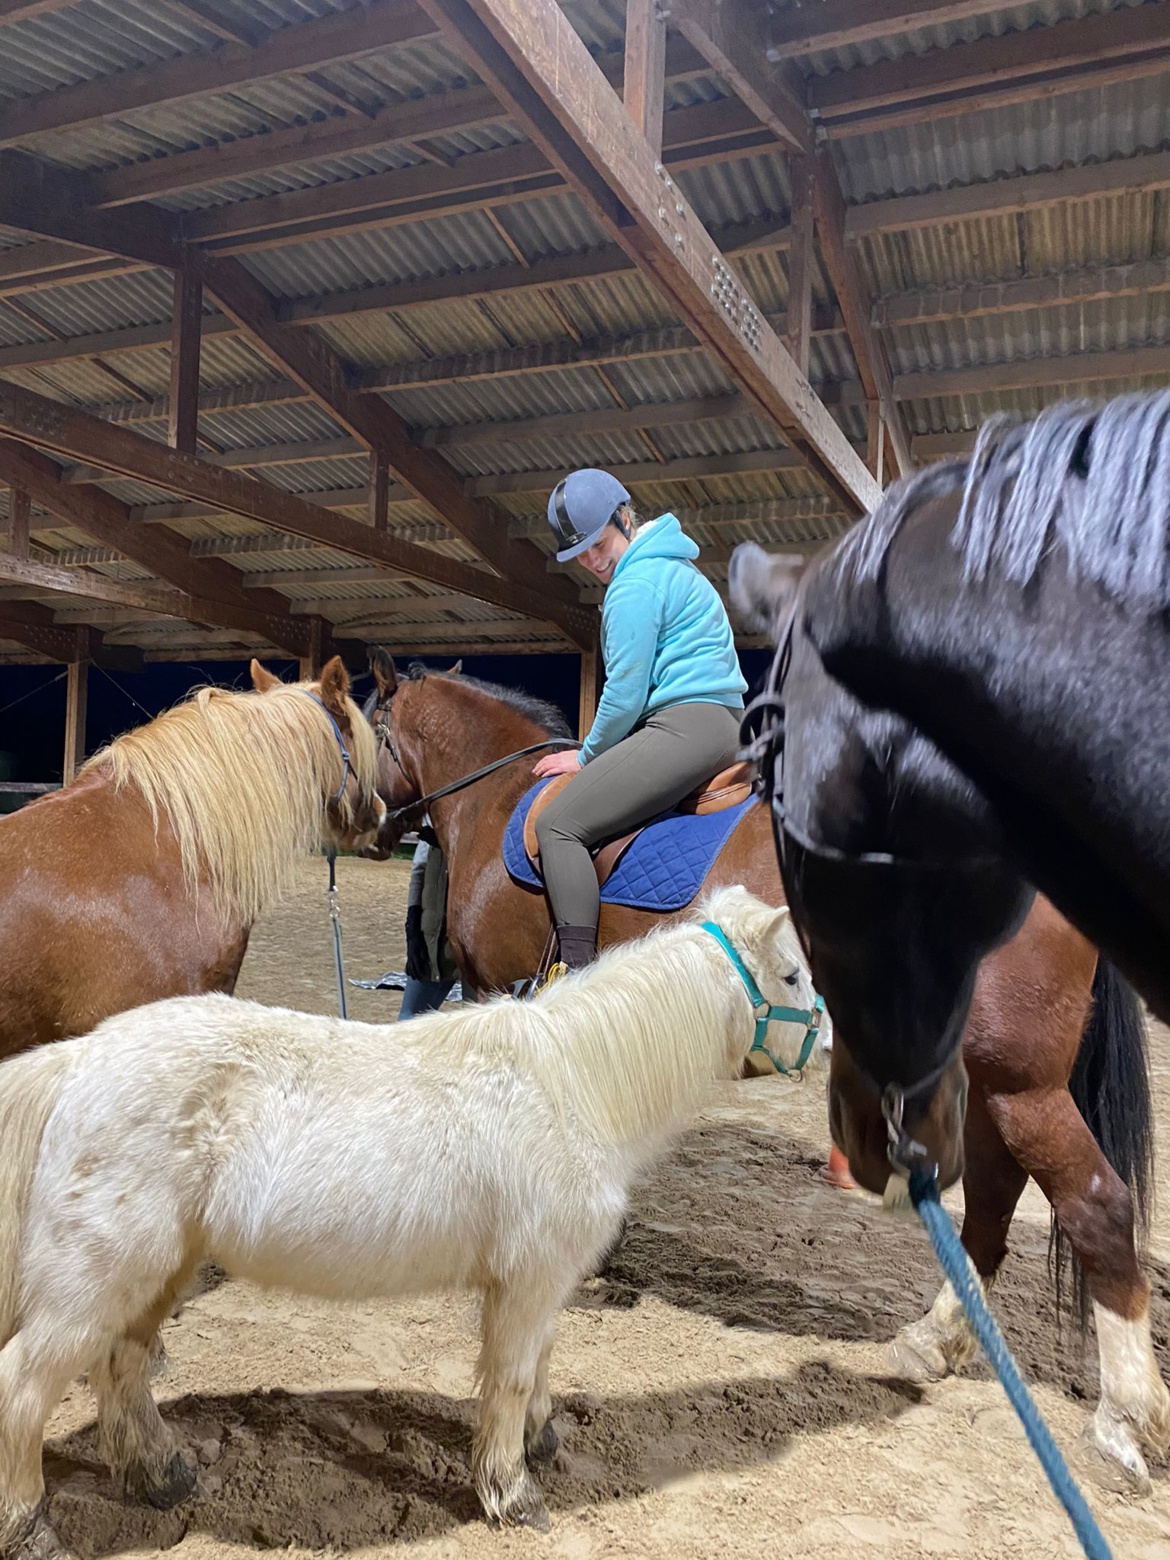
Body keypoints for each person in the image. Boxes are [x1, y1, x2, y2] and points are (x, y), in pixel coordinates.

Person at [533, 468, 747, 971]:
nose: (592, 560)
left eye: (599, 544)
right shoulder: (674, 567)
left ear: (625, 519)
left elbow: (625, 695)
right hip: (723, 724)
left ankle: (577, 980)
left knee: (558, 825)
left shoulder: (634, 585)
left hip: (685, 727)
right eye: (581, 553)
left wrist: (586, 755)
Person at [399, 823, 458, 1019]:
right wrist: (413, 930)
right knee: (408, 1020)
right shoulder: (433, 815)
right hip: (433, 937)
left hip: (474, 943)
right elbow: (419, 870)